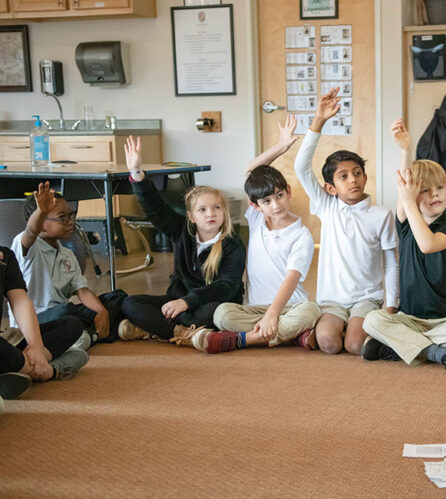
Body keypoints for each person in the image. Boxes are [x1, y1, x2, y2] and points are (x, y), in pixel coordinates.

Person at [362, 120, 446, 371]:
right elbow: (405, 191)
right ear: (413, 195)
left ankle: (398, 348)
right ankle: (438, 353)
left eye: (439, 188)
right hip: (410, 318)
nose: (435, 194)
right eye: (425, 190)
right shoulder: (405, 223)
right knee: (372, 320)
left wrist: (409, 201)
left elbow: (427, 244)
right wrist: (406, 151)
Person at [293, 88, 398, 355]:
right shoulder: (326, 206)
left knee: (354, 346)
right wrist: (318, 121)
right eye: (343, 176)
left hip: (367, 298)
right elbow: (301, 168)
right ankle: (330, 328)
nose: (352, 179)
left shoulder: (381, 214)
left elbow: (391, 261)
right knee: (329, 343)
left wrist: (391, 304)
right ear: (330, 188)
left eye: (357, 173)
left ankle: (356, 328)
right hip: (332, 300)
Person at [206, 116, 321, 354]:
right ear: (255, 206)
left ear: (288, 192)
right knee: (221, 314)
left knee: (311, 311)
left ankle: (246, 339)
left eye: (279, 196)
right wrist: (281, 146)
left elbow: (291, 280)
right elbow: (251, 170)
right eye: (267, 201)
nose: (276, 205)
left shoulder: (302, 235)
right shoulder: (257, 219)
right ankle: (289, 336)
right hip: (256, 308)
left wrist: (273, 314)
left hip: (290, 307)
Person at [118, 136, 246, 348]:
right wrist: (136, 173)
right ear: (191, 217)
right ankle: (181, 333)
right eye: (202, 210)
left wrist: (187, 302)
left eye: (216, 208)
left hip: (211, 304)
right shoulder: (182, 231)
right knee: (130, 303)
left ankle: (156, 329)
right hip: (179, 301)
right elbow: (155, 208)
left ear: (224, 211)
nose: (210, 214)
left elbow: (225, 287)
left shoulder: (233, 244)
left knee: (210, 313)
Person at [11, 182, 126, 350]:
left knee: (116, 298)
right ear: (42, 222)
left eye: (70, 215)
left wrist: (102, 311)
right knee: (66, 312)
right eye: (62, 218)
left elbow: (82, 290)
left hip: (65, 317)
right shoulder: (29, 246)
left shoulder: (67, 254)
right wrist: (41, 211)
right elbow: (31, 231)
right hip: (34, 320)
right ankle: (94, 334)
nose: (70, 222)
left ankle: (87, 335)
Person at [0, 246, 89, 396]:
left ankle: (20, 368)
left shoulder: (6, 256)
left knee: (71, 324)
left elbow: (20, 301)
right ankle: (51, 370)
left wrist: (36, 348)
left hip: (5, 342)